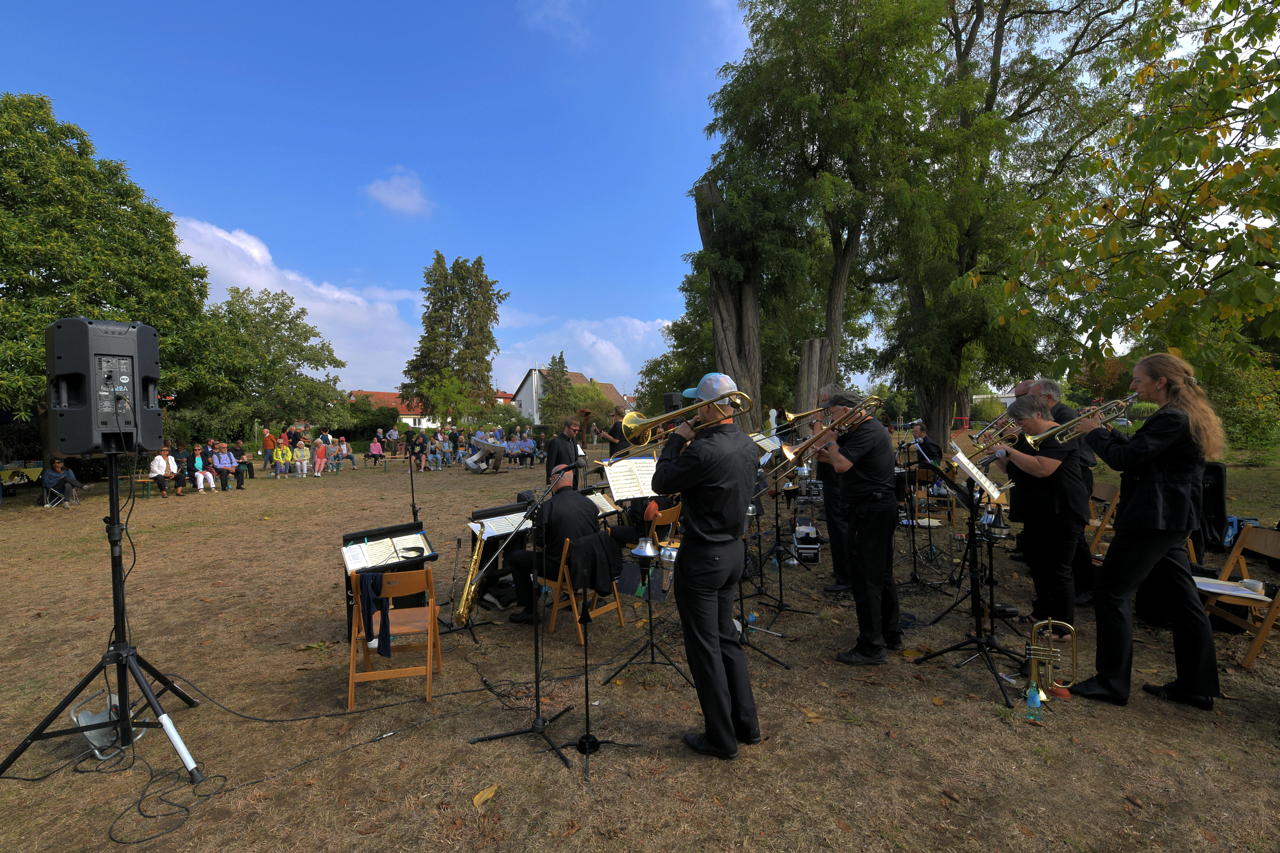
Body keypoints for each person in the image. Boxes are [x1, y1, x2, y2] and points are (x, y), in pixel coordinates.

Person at [1070, 353, 1224, 710]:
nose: (1133, 386)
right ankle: (1196, 686)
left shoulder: (1173, 417)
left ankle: (1111, 682)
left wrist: (1093, 435)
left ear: (1161, 382)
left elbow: (1126, 460)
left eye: (1138, 380)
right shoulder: (1177, 415)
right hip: (1169, 518)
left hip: (1153, 518)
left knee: (1111, 593)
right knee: (1185, 601)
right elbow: (1142, 450)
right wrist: (1107, 431)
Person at [651, 372, 760, 760]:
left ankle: (721, 738)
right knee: (727, 640)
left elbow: (661, 482)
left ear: (712, 408)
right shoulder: (747, 444)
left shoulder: (701, 449)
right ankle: (747, 725)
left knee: (704, 648)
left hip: (703, 558)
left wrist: (678, 438)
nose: (692, 412)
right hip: (733, 552)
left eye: (698, 405)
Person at [816, 391, 902, 665]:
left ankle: (871, 646)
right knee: (881, 574)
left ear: (846, 409)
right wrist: (828, 452)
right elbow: (848, 462)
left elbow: (841, 464)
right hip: (870, 507)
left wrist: (830, 443)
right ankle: (890, 633)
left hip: (872, 510)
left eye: (833, 413)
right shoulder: (859, 430)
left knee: (866, 578)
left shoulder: (867, 430)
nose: (831, 417)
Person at [990, 395, 1087, 633]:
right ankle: (1042, 613)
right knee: (1037, 563)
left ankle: (1063, 628)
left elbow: (1043, 468)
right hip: (1038, 510)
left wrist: (1009, 452)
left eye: (1021, 419)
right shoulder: (1029, 437)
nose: (1018, 424)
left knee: (1058, 569)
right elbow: (1017, 470)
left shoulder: (1059, 435)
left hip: (1063, 510)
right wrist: (1000, 456)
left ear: (1038, 414)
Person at [503, 463, 603, 624]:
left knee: (517, 558)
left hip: (565, 570)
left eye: (550, 479)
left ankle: (530, 611)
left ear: (555, 480)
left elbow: (540, 544)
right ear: (571, 481)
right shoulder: (589, 503)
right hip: (590, 567)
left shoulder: (549, 506)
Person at [1032, 378, 1098, 602]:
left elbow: (1057, 448)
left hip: (1076, 476)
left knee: (1074, 537)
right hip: (1058, 478)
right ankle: (1065, 585)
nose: (1030, 402)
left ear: (1048, 398)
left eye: (1033, 397)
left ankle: (1086, 587)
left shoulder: (1065, 415)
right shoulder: (1051, 413)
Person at [545, 417, 582, 490]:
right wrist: (549, 481)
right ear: (566, 428)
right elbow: (550, 463)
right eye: (574, 430)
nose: (576, 432)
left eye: (578, 430)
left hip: (573, 479)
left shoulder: (573, 440)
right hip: (561, 481)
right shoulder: (556, 442)